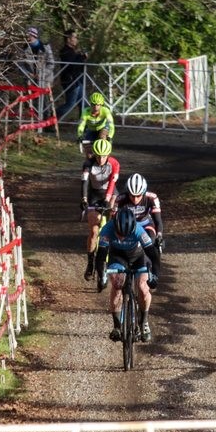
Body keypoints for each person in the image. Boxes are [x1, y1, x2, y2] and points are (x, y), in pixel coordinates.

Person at [94, 207, 162, 343]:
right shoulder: (107, 230)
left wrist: (155, 275)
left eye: (126, 234)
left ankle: (144, 322)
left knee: (143, 287)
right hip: (118, 257)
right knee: (117, 284)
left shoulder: (139, 230)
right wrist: (102, 275)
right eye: (119, 234)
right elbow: (101, 257)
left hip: (138, 257)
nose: (122, 237)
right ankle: (117, 326)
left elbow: (153, 256)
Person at [81, 138, 120, 281]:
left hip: (111, 193)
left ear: (108, 154)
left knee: (115, 223)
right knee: (94, 231)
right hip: (95, 196)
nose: (101, 159)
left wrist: (108, 199)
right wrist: (84, 199)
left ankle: (115, 253)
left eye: (104, 156)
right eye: (98, 156)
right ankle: (90, 263)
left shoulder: (114, 163)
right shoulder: (88, 164)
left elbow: (112, 183)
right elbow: (84, 183)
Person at [113, 173, 164, 274]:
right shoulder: (120, 199)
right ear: (128, 192)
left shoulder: (152, 198)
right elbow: (114, 221)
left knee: (152, 240)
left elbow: (158, 221)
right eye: (132, 195)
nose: (135, 199)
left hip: (145, 224)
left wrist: (159, 235)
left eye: (138, 196)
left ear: (144, 192)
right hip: (127, 226)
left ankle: (153, 269)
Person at [57, 30, 89, 120]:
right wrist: (82, 57)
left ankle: (84, 125)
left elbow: (77, 64)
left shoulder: (72, 51)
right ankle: (51, 118)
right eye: (75, 37)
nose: (76, 40)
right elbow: (72, 65)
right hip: (70, 81)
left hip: (77, 80)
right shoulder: (65, 51)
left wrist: (81, 56)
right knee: (70, 104)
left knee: (84, 103)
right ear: (68, 39)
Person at [75, 92, 115, 158]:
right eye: (93, 105)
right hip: (91, 130)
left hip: (103, 128)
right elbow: (81, 126)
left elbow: (111, 125)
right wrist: (80, 136)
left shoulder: (105, 111)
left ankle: (105, 158)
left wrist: (110, 136)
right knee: (88, 151)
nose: (95, 107)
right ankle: (90, 162)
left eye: (98, 105)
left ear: (101, 105)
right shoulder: (86, 112)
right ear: (90, 104)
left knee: (103, 139)